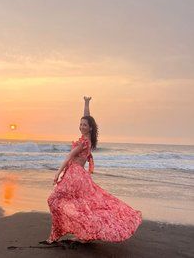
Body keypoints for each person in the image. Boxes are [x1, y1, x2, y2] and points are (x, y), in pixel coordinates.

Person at [45, 96, 142, 244]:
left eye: (84, 125)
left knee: (54, 200)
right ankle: (82, 233)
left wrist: (57, 173)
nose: (82, 126)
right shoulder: (88, 138)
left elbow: (69, 156)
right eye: (80, 124)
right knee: (82, 205)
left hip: (74, 175)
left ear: (90, 128)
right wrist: (86, 103)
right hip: (80, 176)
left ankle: (59, 234)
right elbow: (88, 118)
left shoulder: (83, 141)